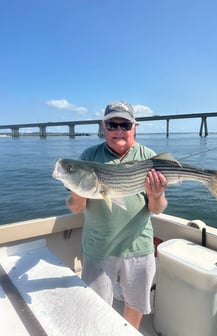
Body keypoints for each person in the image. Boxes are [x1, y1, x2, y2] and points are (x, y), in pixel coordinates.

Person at [67, 101, 168, 330]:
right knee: (97, 306)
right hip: (98, 247)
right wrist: (78, 189)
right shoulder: (88, 156)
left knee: (136, 305)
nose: (119, 131)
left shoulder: (148, 156)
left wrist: (156, 194)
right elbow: (75, 208)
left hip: (139, 246)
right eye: (113, 124)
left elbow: (157, 208)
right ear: (103, 126)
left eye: (125, 124)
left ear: (135, 126)